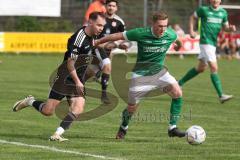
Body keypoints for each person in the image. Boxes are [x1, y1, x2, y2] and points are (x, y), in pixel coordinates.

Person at [12, 12, 107, 142]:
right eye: (99, 25)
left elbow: (100, 44)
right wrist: (78, 81)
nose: (101, 28)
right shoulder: (78, 39)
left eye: (103, 26)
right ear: (90, 22)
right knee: (48, 111)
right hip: (65, 77)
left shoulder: (95, 35)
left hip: (78, 78)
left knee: (78, 107)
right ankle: (30, 101)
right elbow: (70, 64)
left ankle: (57, 134)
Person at [95, 11, 186, 139]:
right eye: (160, 26)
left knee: (177, 93)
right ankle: (123, 127)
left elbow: (178, 40)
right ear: (153, 24)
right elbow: (117, 36)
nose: (163, 29)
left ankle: (172, 128)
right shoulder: (140, 33)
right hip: (140, 75)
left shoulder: (169, 34)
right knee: (132, 108)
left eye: (165, 26)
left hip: (160, 73)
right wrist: (98, 41)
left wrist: (178, 47)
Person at [178, 0, 236, 103]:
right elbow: (192, 17)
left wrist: (230, 28)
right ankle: (221, 95)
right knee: (214, 67)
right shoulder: (203, 10)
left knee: (201, 68)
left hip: (212, 43)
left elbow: (225, 27)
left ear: (220, 0)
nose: (215, 0)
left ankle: (179, 83)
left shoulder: (223, 12)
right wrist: (191, 30)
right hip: (205, 42)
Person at [91, 0, 126, 104]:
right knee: (107, 65)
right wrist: (117, 45)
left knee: (90, 73)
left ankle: (74, 83)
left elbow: (122, 36)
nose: (111, 8)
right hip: (96, 48)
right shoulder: (99, 19)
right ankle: (104, 95)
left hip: (107, 50)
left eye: (113, 6)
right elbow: (94, 39)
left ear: (116, 8)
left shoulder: (119, 22)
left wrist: (120, 43)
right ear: (105, 6)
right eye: (109, 5)